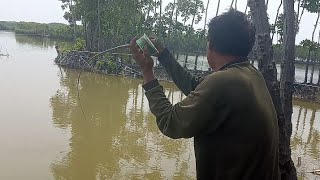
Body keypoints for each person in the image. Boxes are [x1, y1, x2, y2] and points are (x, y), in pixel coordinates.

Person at [129, 9, 280, 180]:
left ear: (212, 44)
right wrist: (164, 55)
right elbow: (196, 87)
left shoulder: (223, 82)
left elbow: (170, 122)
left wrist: (147, 71)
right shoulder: (250, 74)